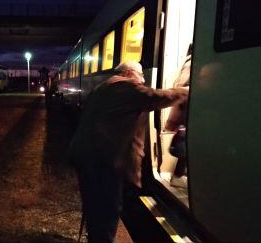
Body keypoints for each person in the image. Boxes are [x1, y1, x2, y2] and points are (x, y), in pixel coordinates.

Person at [67, 61, 188, 242]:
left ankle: (96, 237)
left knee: (94, 204)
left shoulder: (104, 87)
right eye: (141, 75)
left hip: (86, 154)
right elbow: (154, 97)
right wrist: (186, 91)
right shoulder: (124, 87)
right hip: (103, 159)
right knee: (108, 207)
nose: (143, 79)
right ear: (130, 73)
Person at [165, 44, 192, 188]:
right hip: (187, 107)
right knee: (187, 141)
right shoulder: (191, 62)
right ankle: (178, 176)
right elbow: (183, 85)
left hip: (185, 108)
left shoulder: (187, 62)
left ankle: (180, 175)